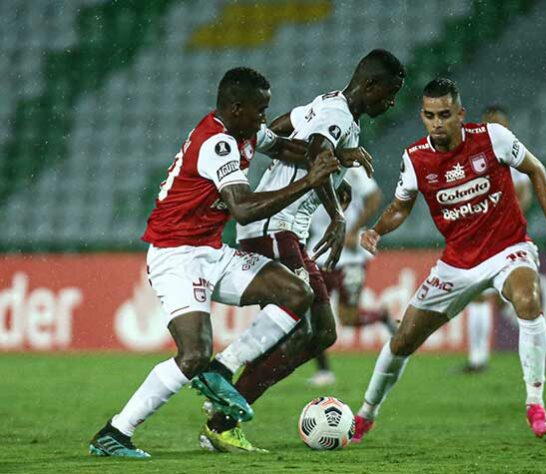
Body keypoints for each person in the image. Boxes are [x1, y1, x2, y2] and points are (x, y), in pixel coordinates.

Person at [88, 67, 340, 458]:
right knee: (192, 355)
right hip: (176, 255)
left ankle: (224, 367)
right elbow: (242, 209)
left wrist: (333, 156)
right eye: (259, 109)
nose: (264, 117)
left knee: (296, 292)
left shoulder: (247, 132)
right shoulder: (216, 144)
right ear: (235, 107)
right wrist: (310, 181)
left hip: (211, 250)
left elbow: (287, 148)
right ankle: (115, 432)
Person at [197, 49, 405, 453]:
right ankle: (222, 386)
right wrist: (336, 214)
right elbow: (315, 153)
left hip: (284, 228)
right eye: (391, 92)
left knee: (318, 332)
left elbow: (272, 132)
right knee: (313, 327)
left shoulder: (327, 104)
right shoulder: (338, 116)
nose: (392, 102)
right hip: (277, 227)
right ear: (371, 85)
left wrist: (336, 178)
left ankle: (224, 407)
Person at [351, 78, 546, 443]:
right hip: (456, 264)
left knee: (528, 300)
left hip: (507, 248)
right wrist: (377, 230)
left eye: (445, 115)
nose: (437, 123)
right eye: (430, 115)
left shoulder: (493, 137)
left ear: (460, 114)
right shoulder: (416, 157)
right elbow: (401, 207)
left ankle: (535, 403)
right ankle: (365, 415)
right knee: (403, 341)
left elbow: (536, 170)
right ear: (422, 116)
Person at [460, 105, 546, 373]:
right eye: (491, 123)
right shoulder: (475, 156)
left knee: (491, 296)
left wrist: (502, 217)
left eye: (501, 124)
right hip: (482, 236)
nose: (497, 129)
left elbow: (525, 195)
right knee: (497, 298)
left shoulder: (509, 156)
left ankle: (478, 359)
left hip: (503, 238)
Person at [306, 165, 395, 387]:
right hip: (317, 254)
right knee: (310, 314)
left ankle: (381, 316)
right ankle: (324, 371)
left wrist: (353, 230)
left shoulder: (349, 169)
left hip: (350, 258)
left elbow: (375, 197)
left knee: (348, 318)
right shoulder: (299, 166)